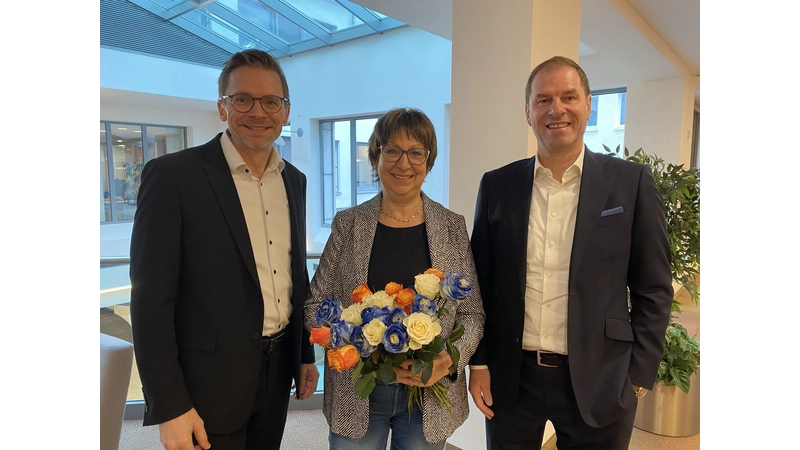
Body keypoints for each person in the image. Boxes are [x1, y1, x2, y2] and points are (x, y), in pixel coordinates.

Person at [468, 56, 673, 449]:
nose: (555, 109)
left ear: (588, 105)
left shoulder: (631, 184)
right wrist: (479, 363)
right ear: (527, 112)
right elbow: (481, 283)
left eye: (568, 97)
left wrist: (639, 375)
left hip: (602, 377)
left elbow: (654, 287)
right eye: (542, 99)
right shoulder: (497, 185)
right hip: (513, 378)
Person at [129, 49, 319, 450]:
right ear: (222, 107)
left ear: (285, 112)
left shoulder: (294, 181)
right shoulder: (173, 177)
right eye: (242, 99)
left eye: (271, 102)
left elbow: (293, 274)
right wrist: (169, 405)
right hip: (205, 382)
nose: (258, 112)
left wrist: (304, 354)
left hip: (277, 368)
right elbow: (151, 301)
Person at [305, 108, 485, 449]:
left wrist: (449, 360)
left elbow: (472, 313)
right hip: (358, 391)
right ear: (376, 157)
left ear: (428, 161)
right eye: (392, 151)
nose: (404, 163)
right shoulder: (348, 224)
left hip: (428, 394)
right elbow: (316, 305)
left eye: (416, 152)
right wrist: (362, 347)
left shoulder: (451, 226)